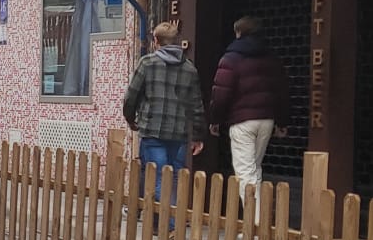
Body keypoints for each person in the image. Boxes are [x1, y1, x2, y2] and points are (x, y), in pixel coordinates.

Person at [208, 15, 291, 201]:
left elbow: (221, 94)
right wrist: (282, 121)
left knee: (245, 171)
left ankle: (253, 224)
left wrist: (215, 120)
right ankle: (256, 221)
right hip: (266, 119)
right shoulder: (272, 58)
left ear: (238, 32)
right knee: (255, 167)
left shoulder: (230, 59)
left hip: (242, 120)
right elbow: (282, 91)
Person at [121, 21, 206, 181]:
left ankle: (159, 207)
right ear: (176, 41)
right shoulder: (189, 68)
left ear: (156, 41)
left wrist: (131, 120)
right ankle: (173, 206)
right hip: (179, 134)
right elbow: (196, 105)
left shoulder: (147, 63)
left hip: (152, 131)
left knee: (156, 178)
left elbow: (131, 97)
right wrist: (197, 136)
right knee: (176, 179)